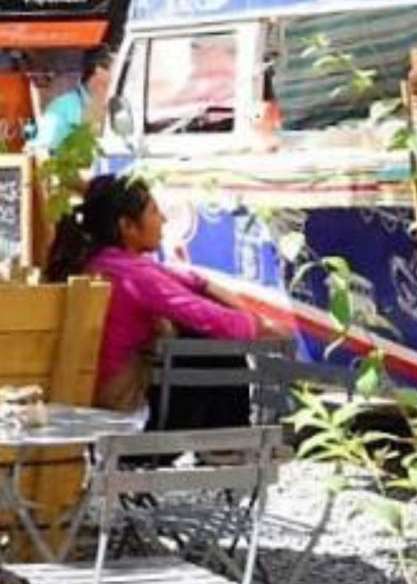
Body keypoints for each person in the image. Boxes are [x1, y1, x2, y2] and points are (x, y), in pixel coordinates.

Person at [44, 172, 263, 413]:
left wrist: (206, 288)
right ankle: (227, 448)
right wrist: (257, 323)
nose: (164, 220)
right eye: (154, 212)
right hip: (121, 404)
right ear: (127, 226)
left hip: (93, 393)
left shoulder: (102, 261)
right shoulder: (135, 276)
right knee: (217, 350)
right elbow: (219, 322)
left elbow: (188, 281)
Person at [32, 55, 112, 157]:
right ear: (97, 73)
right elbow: (42, 150)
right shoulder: (60, 107)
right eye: (111, 72)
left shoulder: (116, 104)